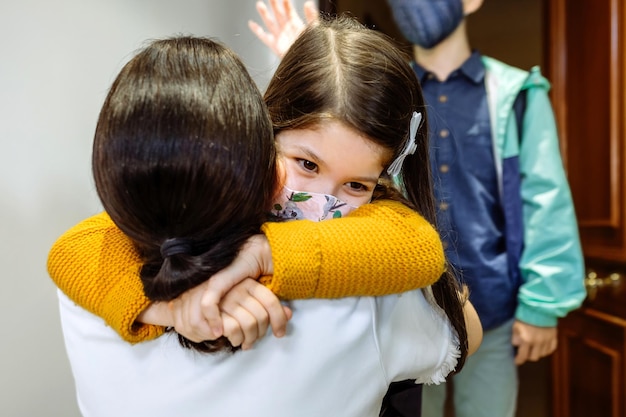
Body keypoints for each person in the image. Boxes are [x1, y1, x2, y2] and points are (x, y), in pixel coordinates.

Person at [52, 23, 481, 417]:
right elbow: (75, 247)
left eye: (357, 186)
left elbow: (416, 243)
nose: (321, 204)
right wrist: (170, 306)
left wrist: (268, 253)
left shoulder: (87, 297)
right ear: (259, 136)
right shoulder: (369, 306)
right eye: (306, 165)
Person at [249, 1, 587, 416]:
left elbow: (545, 198)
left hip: (489, 305)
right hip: (397, 294)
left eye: (355, 184)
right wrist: (313, 61)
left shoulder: (514, 94)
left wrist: (542, 305)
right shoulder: (381, 90)